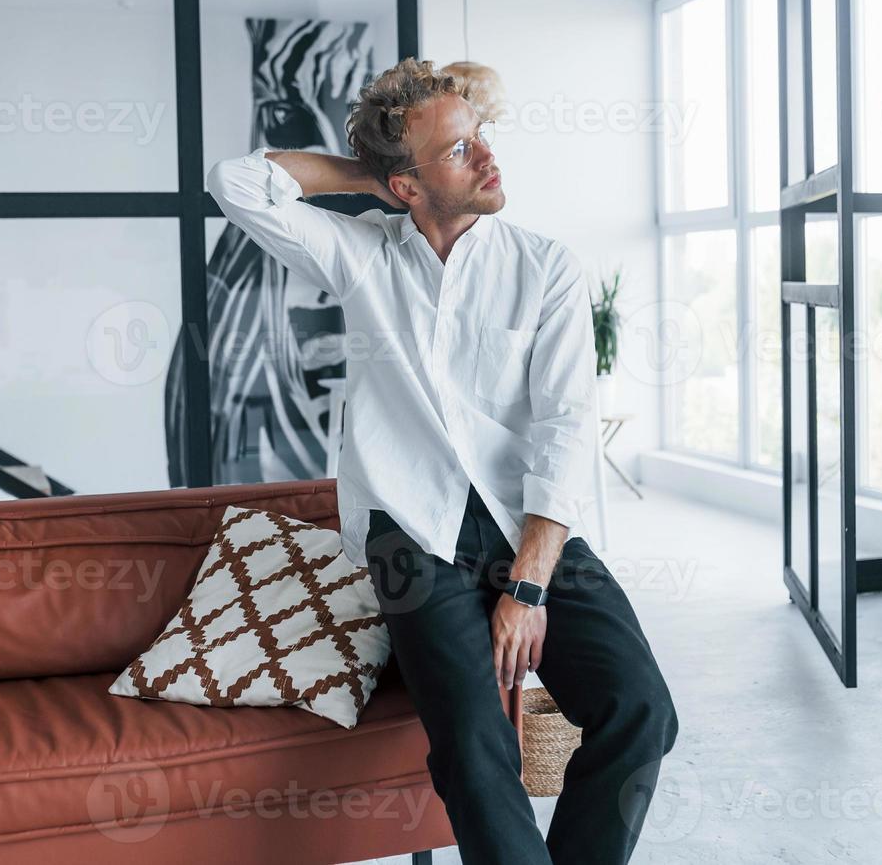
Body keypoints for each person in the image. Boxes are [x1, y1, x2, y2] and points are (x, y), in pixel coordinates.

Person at [207, 58, 678, 865]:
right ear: (404, 189)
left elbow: (565, 426)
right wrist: (380, 170)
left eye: (481, 135)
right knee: (470, 738)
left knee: (640, 708)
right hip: (404, 532)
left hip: (526, 519)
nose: (489, 158)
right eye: (461, 151)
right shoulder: (359, 253)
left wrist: (527, 587)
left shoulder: (545, 266)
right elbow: (237, 183)